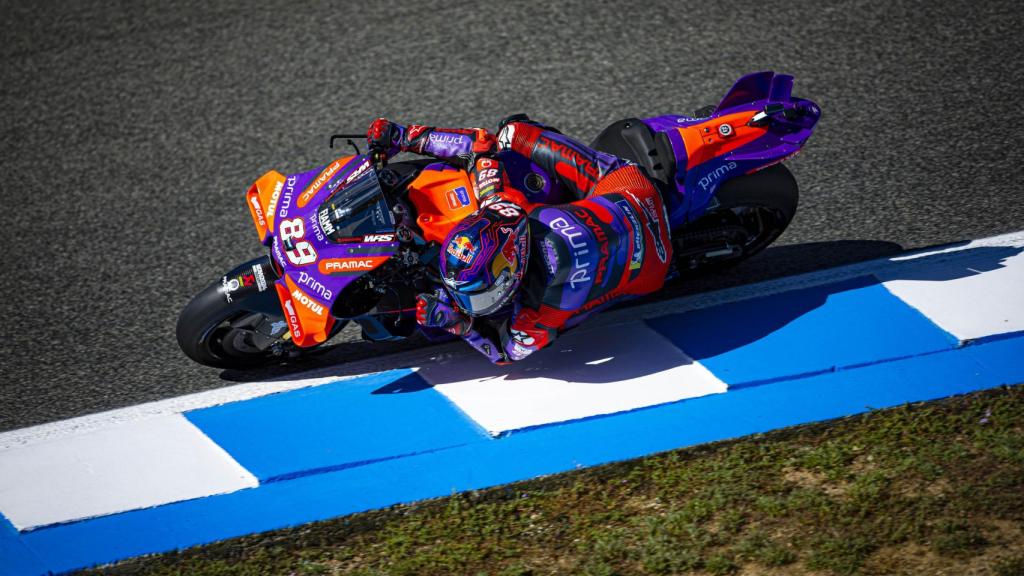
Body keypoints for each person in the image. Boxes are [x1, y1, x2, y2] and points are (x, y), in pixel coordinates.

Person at [367, 116, 673, 364]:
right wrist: (404, 135)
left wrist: (456, 324)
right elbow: (480, 145)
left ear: (510, 268)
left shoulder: (539, 311)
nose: (471, 305)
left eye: (479, 295)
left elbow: (503, 354)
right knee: (512, 132)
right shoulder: (506, 208)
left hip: (653, 271)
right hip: (631, 190)